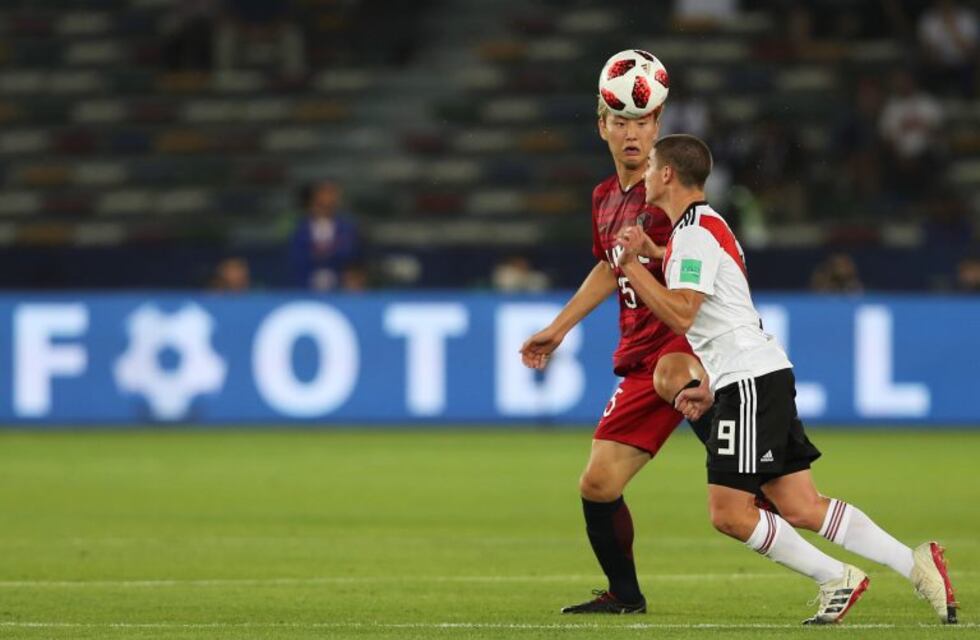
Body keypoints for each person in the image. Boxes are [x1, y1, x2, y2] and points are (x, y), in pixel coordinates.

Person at [614, 133, 958, 625]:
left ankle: (835, 576)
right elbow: (720, 314)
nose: (644, 174)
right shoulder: (701, 229)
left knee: (730, 513)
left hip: (750, 381)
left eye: (650, 166)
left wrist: (632, 266)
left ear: (668, 174)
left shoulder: (694, 233)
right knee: (800, 504)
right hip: (755, 375)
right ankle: (915, 564)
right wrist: (653, 253)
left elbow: (684, 314)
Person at [519, 59, 712, 615]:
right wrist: (557, 329)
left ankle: (829, 552)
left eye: (643, 121)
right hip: (640, 358)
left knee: (747, 486)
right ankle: (625, 596)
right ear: (602, 126)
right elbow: (610, 266)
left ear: (659, 127)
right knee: (598, 483)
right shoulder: (605, 195)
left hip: (684, 347)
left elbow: (704, 254)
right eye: (620, 121)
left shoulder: (671, 190)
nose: (632, 132)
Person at [288, 180, 362, 291]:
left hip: (340, 284)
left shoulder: (347, 227)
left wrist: (328, 253)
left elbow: (351, 254)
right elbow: (296, 255)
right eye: (322, 200)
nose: (326, 201)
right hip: (305, 284)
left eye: (331, 196)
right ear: (313, 200)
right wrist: (316, 254)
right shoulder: (300, 227)